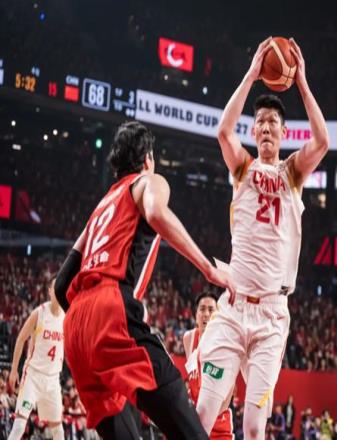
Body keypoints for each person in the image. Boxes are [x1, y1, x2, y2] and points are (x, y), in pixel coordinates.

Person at [54, 121, 236, 440]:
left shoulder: (100, 209)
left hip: (76, 331)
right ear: (148, 158)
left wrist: (89, 326)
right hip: (109, 308)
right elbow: (155, 213)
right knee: (179, 410)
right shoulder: (147, 181)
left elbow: (60, 285)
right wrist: (209, 269)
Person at [195, 37, 329, 440]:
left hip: (271, 315)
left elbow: (322, 142)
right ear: (254, 130)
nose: (267, 127)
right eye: (261, 122)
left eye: (274, 123)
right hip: (234, 308)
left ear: (284, 132)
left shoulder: (293, 173)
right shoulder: (243, 168)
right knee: (202, 413)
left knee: (254, 428)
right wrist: (252, 74)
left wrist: (302, 83)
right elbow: (223, 131)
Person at [8, 276, 65, 440]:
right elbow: (20, 339)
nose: (58, 291)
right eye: (55, 288)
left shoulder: (67, 316)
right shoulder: (39, 313)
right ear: (49, 291)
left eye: (61, 288)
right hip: (33, 376)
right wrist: (14, 370)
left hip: (53, 379)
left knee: (59, 432)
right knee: (19, 426)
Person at [183, 292, 234, 439]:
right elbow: (192, 381)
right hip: (194, 419)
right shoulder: (189, 338)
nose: (206, 314)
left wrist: (202, 416)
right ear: (196, 315)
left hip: (218, 422)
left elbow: (226, 401)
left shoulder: (227, 345)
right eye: (202, 309)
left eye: (211, 310)